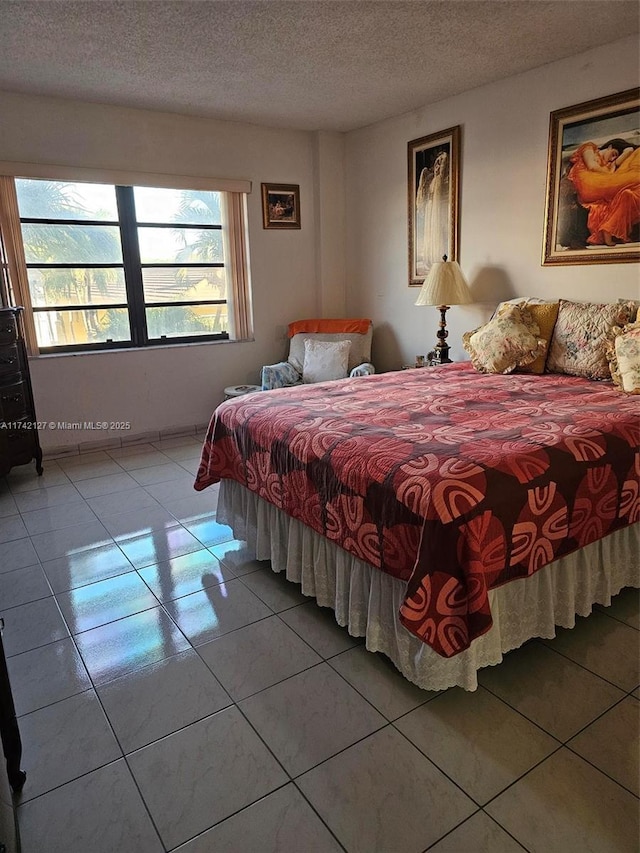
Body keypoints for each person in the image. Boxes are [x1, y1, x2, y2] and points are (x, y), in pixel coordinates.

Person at [567, 137, 640, 246]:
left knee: (634, 189)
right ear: (609, 147)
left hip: (598, 186)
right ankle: (609, 229)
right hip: (588, 184)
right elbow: (591, 166)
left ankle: (609, 229)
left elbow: (616, 165)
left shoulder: (609, 165)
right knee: (636, 179)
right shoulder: (589, 147)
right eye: (614, 153)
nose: (613, 158)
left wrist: (627, 152)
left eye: (615, 157)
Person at [416, 150, 449, 272]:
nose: (437, 167)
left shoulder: (444, 181)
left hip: (438, 212)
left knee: (437, 231)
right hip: (430, 210)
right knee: (429, 232)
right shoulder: (431, 180)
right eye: (436, 164)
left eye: (441, 164)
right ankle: (429, 258)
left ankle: (436, 257)